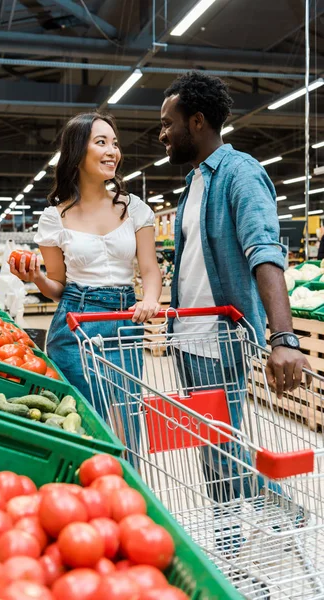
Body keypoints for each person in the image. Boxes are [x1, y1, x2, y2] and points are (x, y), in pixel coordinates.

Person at [159, 71, 312, 505]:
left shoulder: (240, 173)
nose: (161, 134)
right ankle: (234, 535)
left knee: (221, 453)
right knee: (212, 452)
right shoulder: (194, 183)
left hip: (217, 341)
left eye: (168, 123)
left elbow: (264, 253)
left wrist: (283, 337)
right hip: (187, 340)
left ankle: (277, 513)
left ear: (197, 122)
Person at [10, 111, 161, 447]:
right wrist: (36, 278)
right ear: (78, 152)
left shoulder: (133, 208)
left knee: (126, 428)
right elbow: (57, 288)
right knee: (81, 426)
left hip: (125, 324)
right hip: (75, 325)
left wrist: (150, 298)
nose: (113, 151)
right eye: (101, 142)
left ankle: (127, 494)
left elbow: (150, 269)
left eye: (115, 143)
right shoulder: (54, 218)